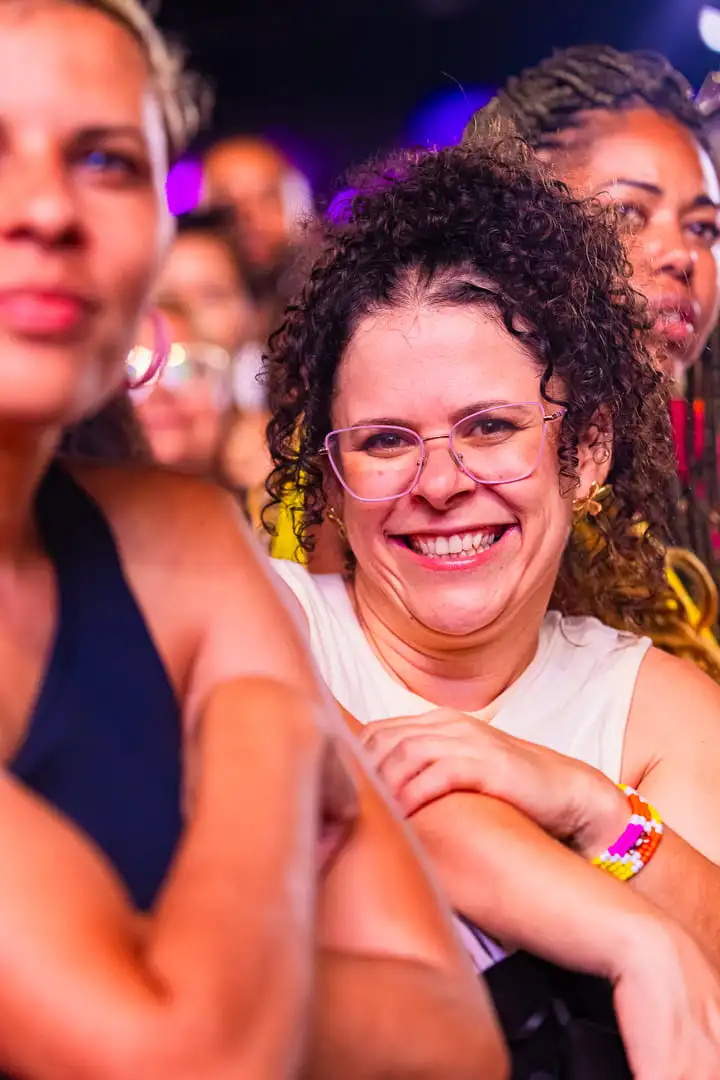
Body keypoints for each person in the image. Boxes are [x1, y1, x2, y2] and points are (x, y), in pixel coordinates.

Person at [0, 2, 509, 1077]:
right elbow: (191, 1063)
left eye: (103, 159)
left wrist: (173, 977)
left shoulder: (178, 537)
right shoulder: (200, 586)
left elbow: (457, 1044)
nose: (45, 209)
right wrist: (270, 728)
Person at [265, 140, 720, 1078]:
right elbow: (358, 784)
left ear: (585, 452)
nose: (439, 484)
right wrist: (633, 937)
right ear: (333, 477)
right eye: (385, 441)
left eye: (490, 427)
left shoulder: (655, 712)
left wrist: (592, 809)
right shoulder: (267, 617)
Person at [465, 45, 720, 672]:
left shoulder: (697, 459)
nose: (682, 255)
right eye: (630, 212)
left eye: (704, 227)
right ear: (517, 229)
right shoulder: (442, 457)